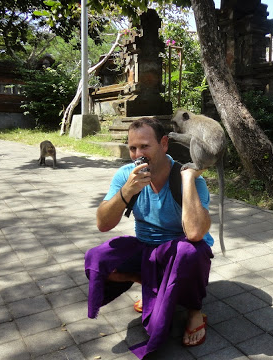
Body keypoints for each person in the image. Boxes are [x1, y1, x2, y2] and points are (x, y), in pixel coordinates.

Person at [84, 117, 214, 359]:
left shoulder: (188, 177)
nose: (137, 154)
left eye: (145, 146)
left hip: (179, 250)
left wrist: (187, 181)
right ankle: (153, 284)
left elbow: (196, 233)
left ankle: (195, 309)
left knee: (190, 251)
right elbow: (103, 223)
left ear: (164, 144)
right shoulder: (126, 175)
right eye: (133, 148)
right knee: (98, 258)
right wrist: (127, 191)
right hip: (146, 247)